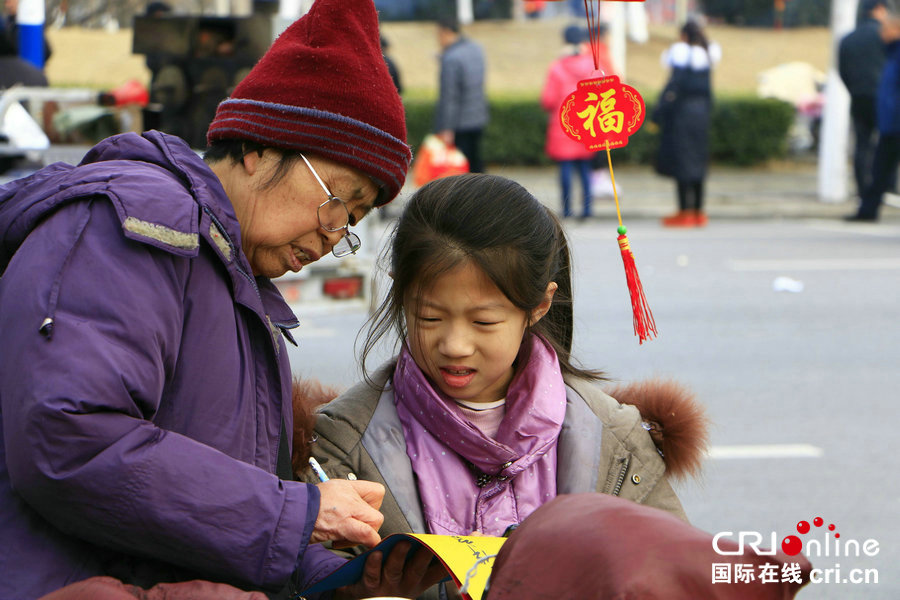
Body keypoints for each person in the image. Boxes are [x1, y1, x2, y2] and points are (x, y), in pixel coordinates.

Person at [0, 1, 441, 599]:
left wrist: (336, 578)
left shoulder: (231, 276)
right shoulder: (140, 224)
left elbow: (212, 523)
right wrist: (298, 514)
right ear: (260, 147)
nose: (333, 237)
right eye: (338, 201)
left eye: (355, 221)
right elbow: (71, 439)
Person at [303, 174, 708, 597]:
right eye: (429, 317)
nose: (455, 345)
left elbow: (673, 575)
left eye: (484, 322)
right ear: (401, 294)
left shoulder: (614, 440)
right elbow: (307, 577)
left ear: (539, 306)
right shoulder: (343, 442)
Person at [652, 19, 721, 228]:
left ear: (683, 35)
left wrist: (658, 114)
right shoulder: (708, 55)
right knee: (699, 162)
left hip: (682, 117)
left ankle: (684, 211)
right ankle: (699, 211)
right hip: (702, 116)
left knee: (682, 162)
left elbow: (673, 87)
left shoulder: (681, 54)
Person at [539, 24, 611, 219]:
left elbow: (548, 100)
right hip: (588, 125)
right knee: (585, 168)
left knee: (566, 168)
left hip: (563, 125)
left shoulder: (557, 67)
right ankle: (587, 209)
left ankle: (567, 209)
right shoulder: (595, 66)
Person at [847, 5, 900, 222]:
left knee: (881, 168)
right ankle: (867, 210)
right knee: (880, 170)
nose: (881, 32)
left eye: (886, 28)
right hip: (890, 124)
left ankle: (868, 210)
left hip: (896, 122)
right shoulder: (891, 55)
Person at [839, 0, 890, 199]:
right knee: (888, 143)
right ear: (879, 9)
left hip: (858, 96)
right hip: (886, 98)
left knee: (862, 145)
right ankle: (888, 187)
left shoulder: (848, 38)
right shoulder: (886, 35)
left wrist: (854, 90)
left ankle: (863, 190)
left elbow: (842, 71)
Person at [434, 15, 489, 173]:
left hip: (459, 122)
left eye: (438, 35)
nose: (438, 40)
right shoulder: (476, 49)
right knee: (476, 163)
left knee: (460, 169)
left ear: (446, 32)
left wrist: (446, 128)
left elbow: (450, 96)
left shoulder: (451, 58)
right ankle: (485, 195)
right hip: (478, 116)